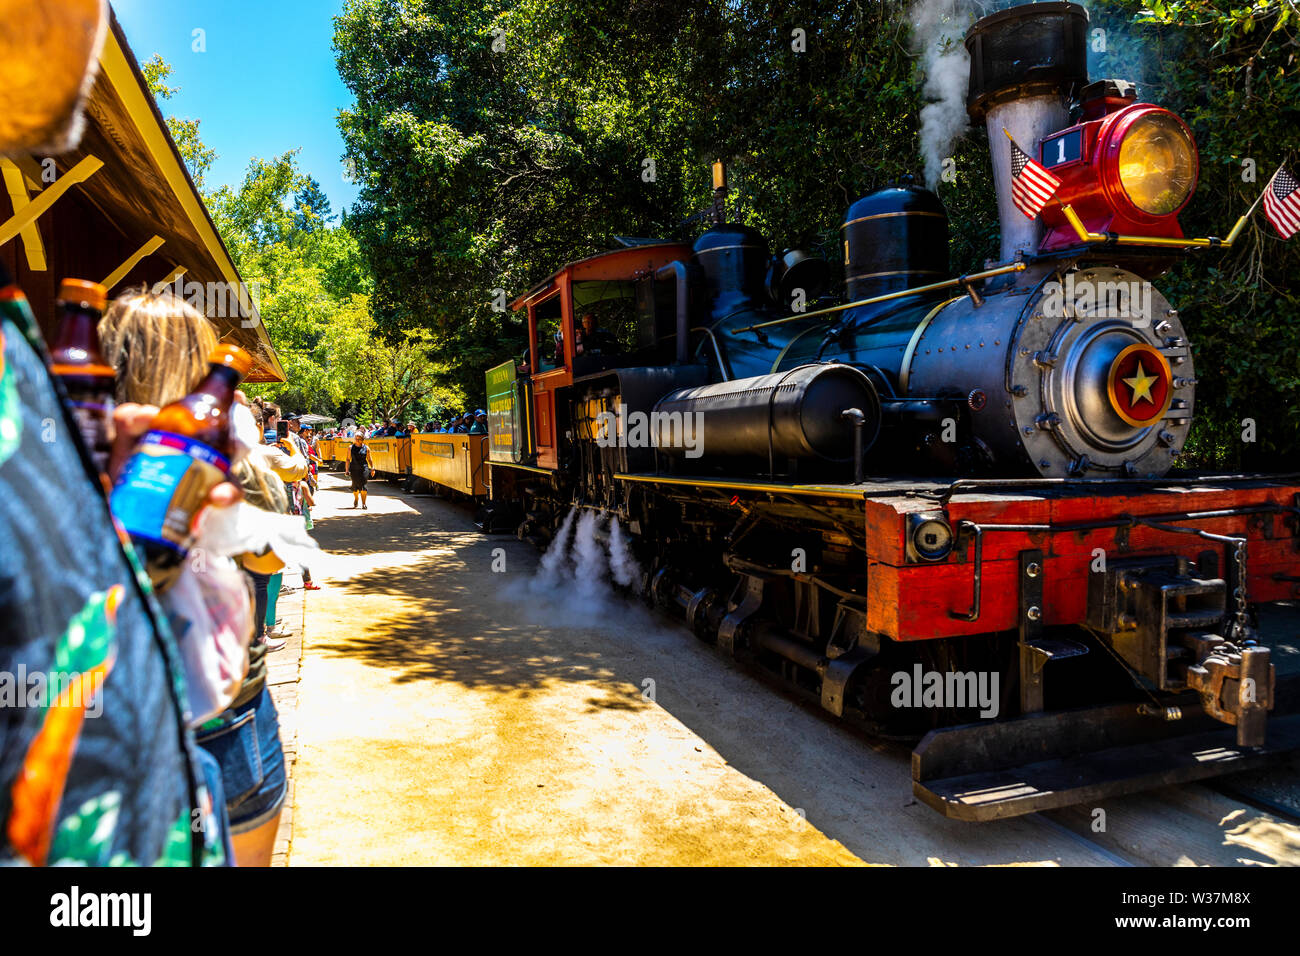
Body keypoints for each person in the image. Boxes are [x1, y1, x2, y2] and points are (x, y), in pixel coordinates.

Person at [99, 286, 294, 867]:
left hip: (104, 719)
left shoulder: (70, 443)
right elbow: (271, 561)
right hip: (228, 716)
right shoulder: (229, 456)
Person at [348, 432, 375, 509]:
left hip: (364, 468)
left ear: (362, 439)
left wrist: (372, 468)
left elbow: (369, 459)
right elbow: (347, 459)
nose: (357, 440)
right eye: (356, 439)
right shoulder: (350, 447)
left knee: (363, 486)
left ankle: (363, 503)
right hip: (354, 469)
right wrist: (347, 469)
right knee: (355, 486)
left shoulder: (366, 448)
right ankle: (356, 498)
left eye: (359, 439)